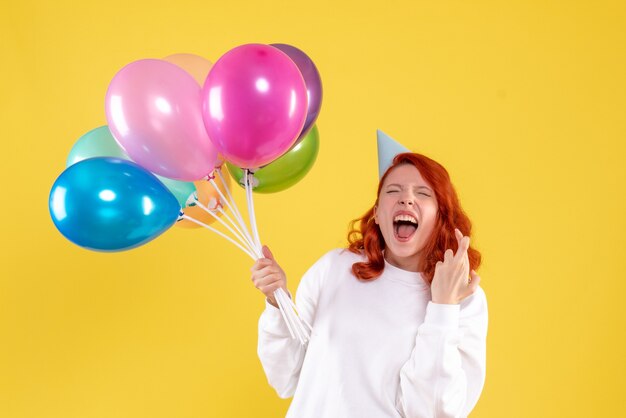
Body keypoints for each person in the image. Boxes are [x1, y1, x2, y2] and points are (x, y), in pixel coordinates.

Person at [251, 132, 488, 417]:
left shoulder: (465, 299)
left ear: (440, 217)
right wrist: (278, 302)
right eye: (393, 191)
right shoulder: (334, 269)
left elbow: (433, 412)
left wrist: (443, 308)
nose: (406, 200)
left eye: (423, 193)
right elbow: (285, 378)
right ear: (377, 212)